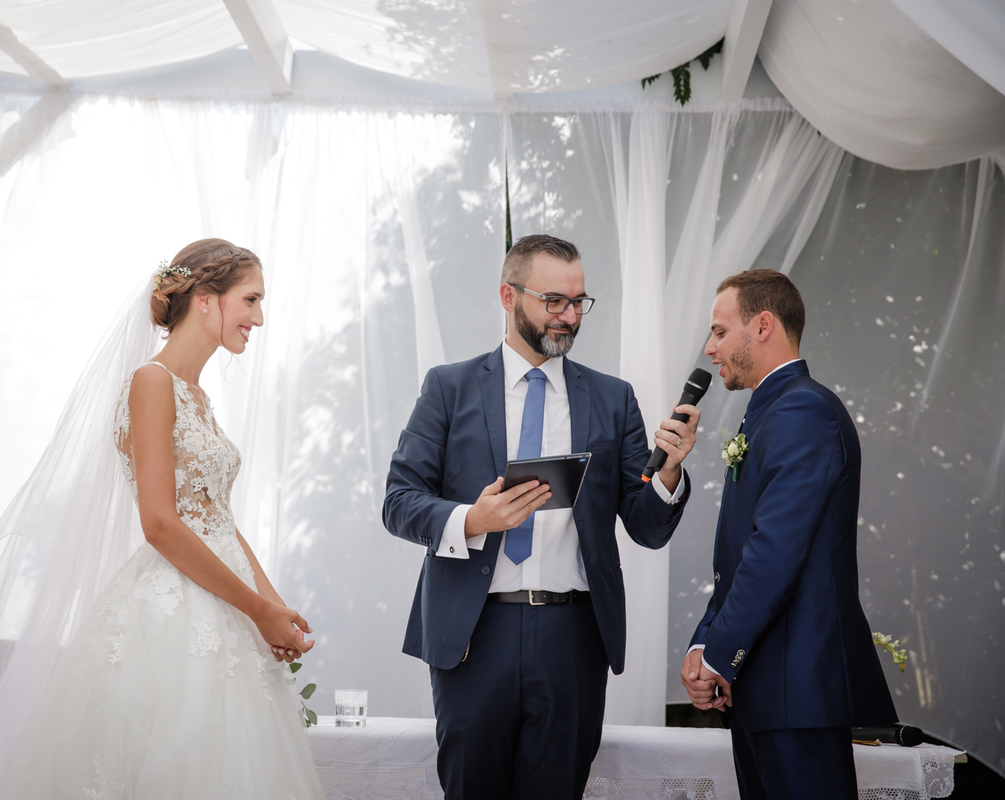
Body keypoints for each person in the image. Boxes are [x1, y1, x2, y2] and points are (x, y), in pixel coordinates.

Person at [0, 239, 323, 800]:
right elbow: (160, 524)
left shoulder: (199, 398)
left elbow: (220, 518)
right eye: (251, 299)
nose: (259, 318)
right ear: (206, 300)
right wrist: (258, 608)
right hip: (171, 612)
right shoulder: (152, 382)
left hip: (225, 605)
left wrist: (274, 608)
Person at [382, 234, 700, 800]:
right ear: (508, 295)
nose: (569, 316)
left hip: (573, 637)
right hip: (474, 635)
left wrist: (670, 474)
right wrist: (472, 520)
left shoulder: (612, 398)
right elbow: (399, 500)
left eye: (579, 302)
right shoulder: (448, 388)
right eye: (554, 301)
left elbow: (647, 526)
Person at [681, 269, 897, 800]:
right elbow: (738, 559)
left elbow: (775, 551)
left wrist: (716, 652)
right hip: (762, 683)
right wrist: (708, 639)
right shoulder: (769, 412)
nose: (709, 348)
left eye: (719, 332)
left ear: (762, 325)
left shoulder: (803, 409)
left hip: (797, 684)